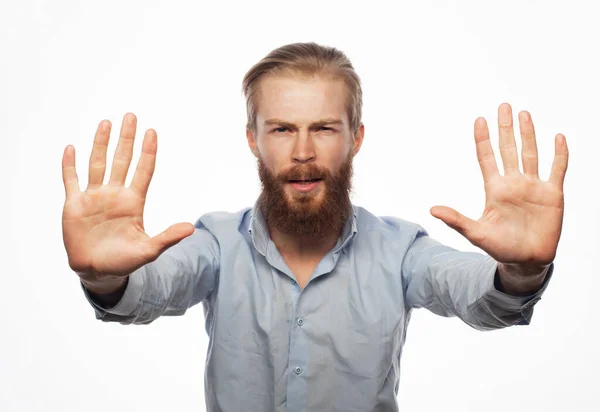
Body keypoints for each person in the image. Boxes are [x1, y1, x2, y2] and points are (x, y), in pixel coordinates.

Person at [61, 42, 569, 412]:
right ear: (252, 140)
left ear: (356, 139)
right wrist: (104, 278)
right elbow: (149, 290)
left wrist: (521, 272)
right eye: (282, 129)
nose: (302, 153)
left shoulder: (401, 250)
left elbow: (476, 293)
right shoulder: (214, 244)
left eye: (324, 128)